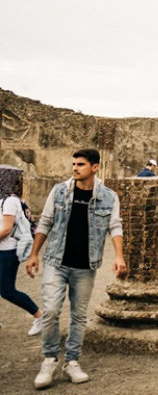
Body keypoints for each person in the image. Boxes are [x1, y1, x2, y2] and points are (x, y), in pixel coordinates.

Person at [25, 149, 127, 389]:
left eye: (80, 164)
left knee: (79, 317)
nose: (75, 168)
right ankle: (49, 359)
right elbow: (46, 222)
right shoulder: (59, 191)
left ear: (94, 167)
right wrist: (33, 254)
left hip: (85, 265)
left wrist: (120, 257)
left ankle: (72, 361)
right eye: (73, 164)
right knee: (50, 311)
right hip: (56, 261)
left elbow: (115, 226)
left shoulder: (109, 197)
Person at [0, 165, 43, 336]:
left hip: (7, 251)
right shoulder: (5, 199)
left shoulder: (10, 201)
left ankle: (40, 316)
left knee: (7, 291)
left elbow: (6, 229)